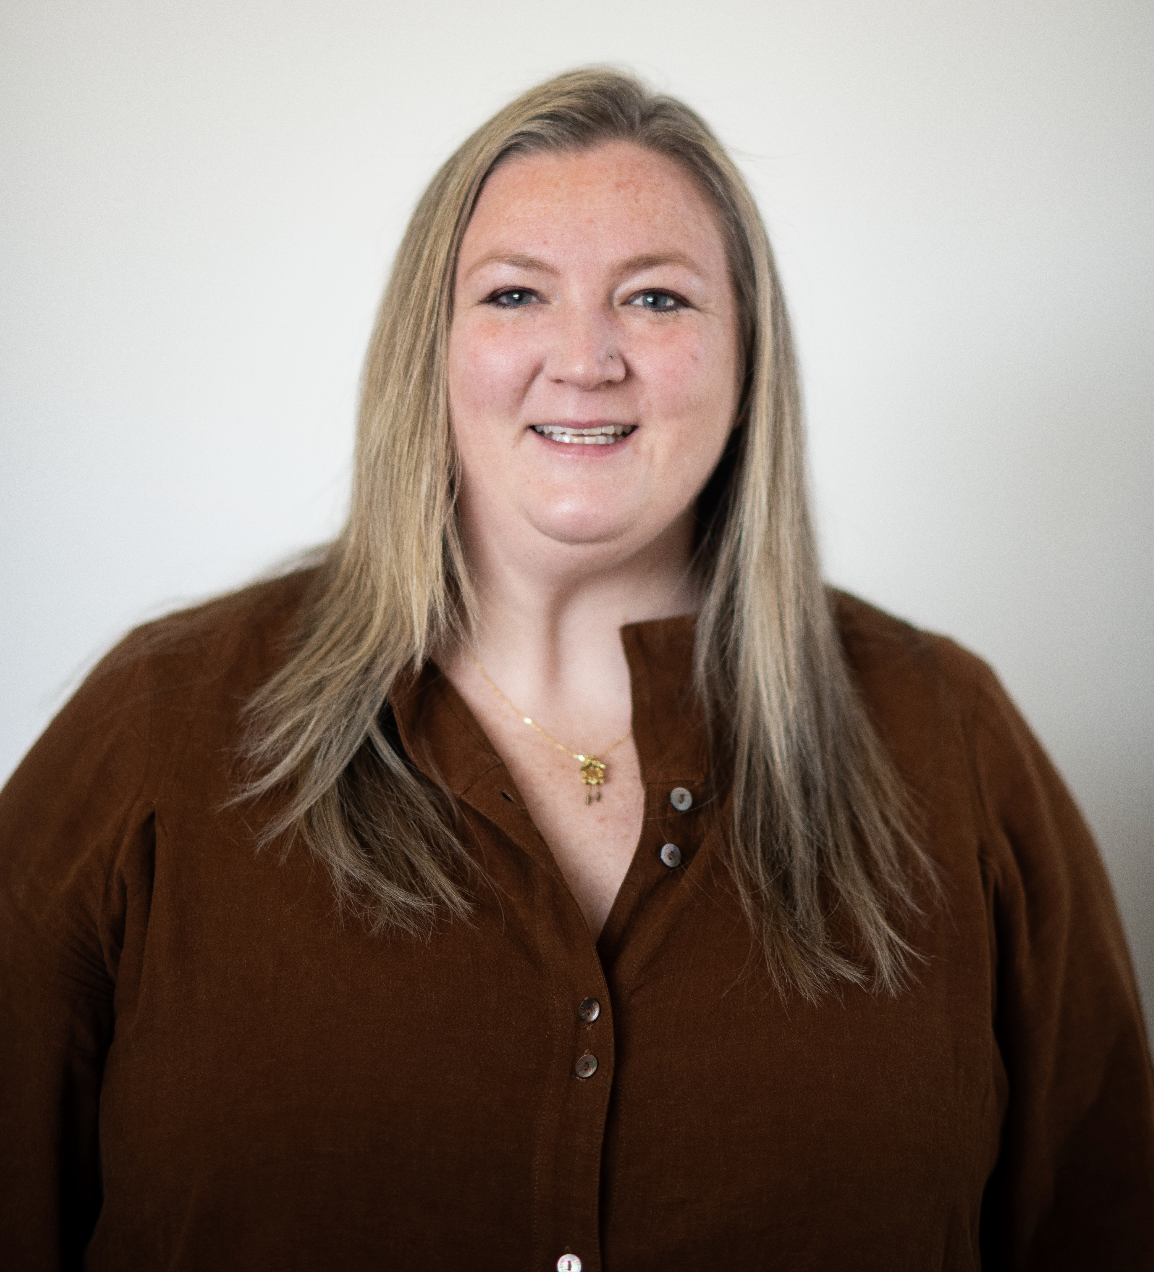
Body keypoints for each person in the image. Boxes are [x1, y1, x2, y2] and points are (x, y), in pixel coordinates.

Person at [1, 67, 1152, 1272]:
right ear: (428, 353)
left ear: (745, 360)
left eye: (656, 298)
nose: (585, 356)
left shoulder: (948, 739)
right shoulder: (158, 727)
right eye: (514, 294)